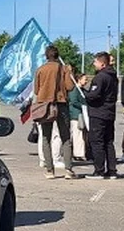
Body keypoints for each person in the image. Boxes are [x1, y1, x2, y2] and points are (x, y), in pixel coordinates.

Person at [32, 45, 78, 179]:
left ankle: (49, 170)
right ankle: (68, 170)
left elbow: (36, 90)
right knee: (65, 138)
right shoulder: (63, 69)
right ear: (58, 56)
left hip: (45, 105)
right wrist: (69, 73)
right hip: (61, 104)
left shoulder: (40, 70)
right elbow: (70, 87)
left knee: (46, 137)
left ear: (46, 56)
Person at [82, 51, 119, 179]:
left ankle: (99, 170)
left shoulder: (101, 77)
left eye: (96, 61)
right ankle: (112, 170)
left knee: (97, 142)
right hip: (109, 113)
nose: (94, 63)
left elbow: (93, 95)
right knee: (108, 142)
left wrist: (83, 92)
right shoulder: (113, 76)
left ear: (102, 63)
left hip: (98, 113)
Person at [68, 70, 88, 162]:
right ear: (79, 80)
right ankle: (78, 154)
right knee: (77, 134)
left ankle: (77, 152)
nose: (86, 81)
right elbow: (73, 101)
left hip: (81, 114)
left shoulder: (82, 90)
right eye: (85, 79)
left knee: (79, 134)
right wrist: (84, 106)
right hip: (76, 115)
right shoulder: (74, 90)